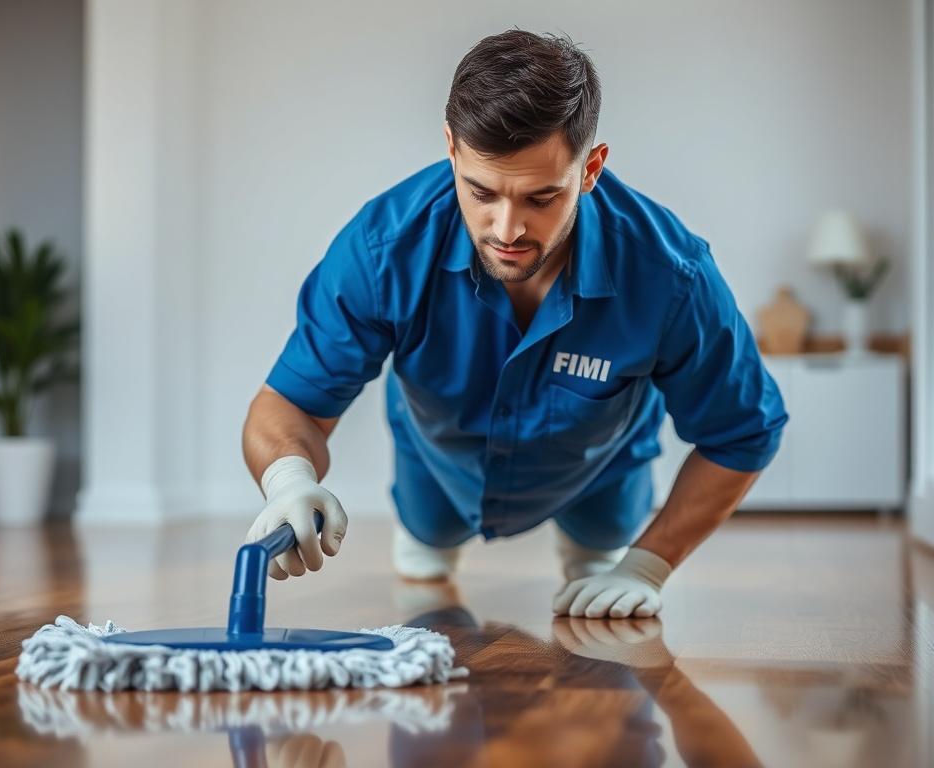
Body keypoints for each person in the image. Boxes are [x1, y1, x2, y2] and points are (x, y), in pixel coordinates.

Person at [242, 28, 788, 620]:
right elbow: (289, 404)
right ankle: (430, 538)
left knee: (601, 569)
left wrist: (649, 563)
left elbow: (743, 432)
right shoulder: (382, 250)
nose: (507, 230)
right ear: (451, 149)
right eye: (481, 192)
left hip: (600, 469)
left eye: (541, 197)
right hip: (438, 461)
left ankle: (597, 547)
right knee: (426, 560)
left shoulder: (671, 274)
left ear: (591, 168)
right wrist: (290, 480)